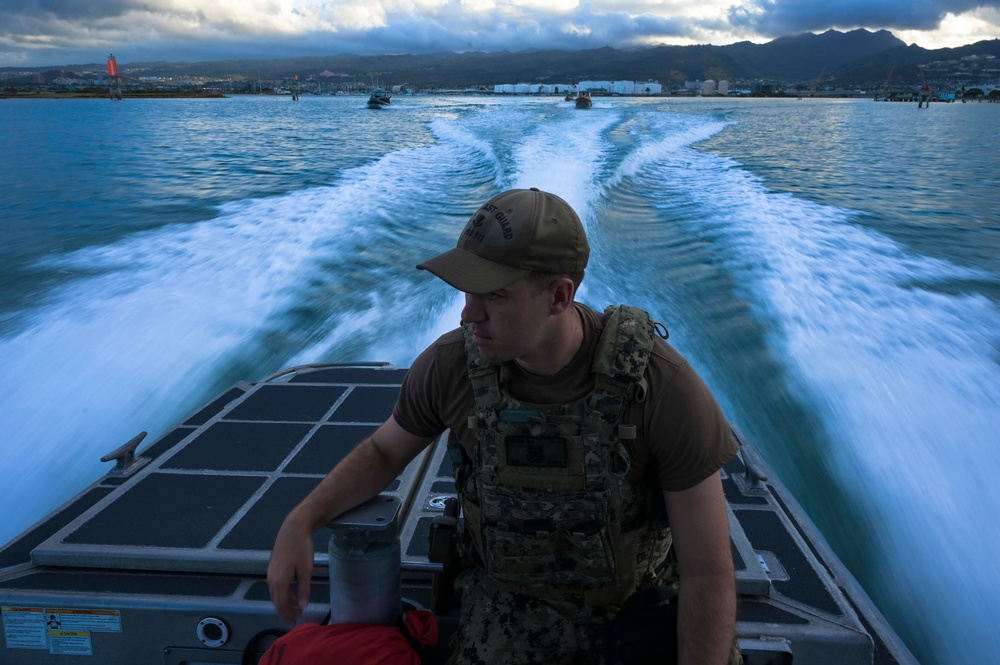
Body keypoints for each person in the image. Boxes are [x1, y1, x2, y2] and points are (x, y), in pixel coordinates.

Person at [268, 187, 740, 664]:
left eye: (494, 295)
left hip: (634, 613)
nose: (469, 314)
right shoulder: (450, 367)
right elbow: (384, 453)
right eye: (467, 291)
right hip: (506, 610)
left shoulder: (660, 387)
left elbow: (707, 572)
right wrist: (301, 520)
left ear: (559, 296)